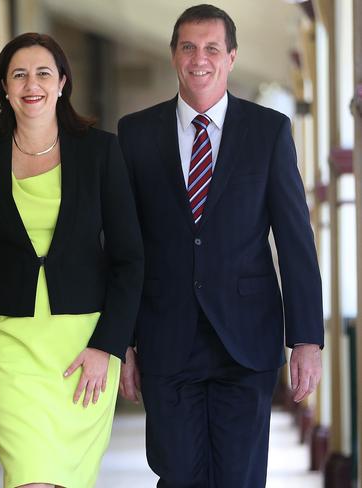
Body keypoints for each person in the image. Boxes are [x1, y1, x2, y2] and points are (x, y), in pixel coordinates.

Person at [117, 4, 324, 487]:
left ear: (231, 57)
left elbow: (295, 240)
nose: (199, 58)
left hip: (246, 340)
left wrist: (307, 339)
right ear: (173, 55)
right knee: (178, 476)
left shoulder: (268, 131)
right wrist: (121, 343)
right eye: (188, 47)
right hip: (165, 339)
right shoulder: (135, 134)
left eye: (212, 48)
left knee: (239, 477)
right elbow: (122, 246)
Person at [0, 33, 143, 488]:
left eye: (42, 73)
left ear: (61, 83)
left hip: (83, 347)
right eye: (19, 74)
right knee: (31, 476)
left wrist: (109, 346)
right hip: (5, 342)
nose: (30, 83)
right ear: (4, 86)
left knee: (68, 479)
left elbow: (130, 260)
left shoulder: (99, 152)